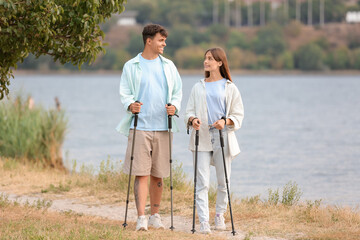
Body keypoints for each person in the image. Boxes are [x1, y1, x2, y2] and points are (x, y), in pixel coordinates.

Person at [116, 24, 182, 231]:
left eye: (164, 40)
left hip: (164, 126)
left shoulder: (169, 66)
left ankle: (155, 215)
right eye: (161, 40)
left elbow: (177, 92)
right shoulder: (131, 65)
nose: (164, 43)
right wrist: (129, 104)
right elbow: (125, 92)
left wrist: (174, 106)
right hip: (140, 126)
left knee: (159, 174)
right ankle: (141, 218)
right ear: (149, 41)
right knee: (141, 173)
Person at [185, 47, 244, 234]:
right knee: (201, 181)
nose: (206, 61)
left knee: (223, 181)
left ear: (220, 62)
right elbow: (189, 111)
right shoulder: (198, 86)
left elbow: (238, 114)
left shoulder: (230, 87)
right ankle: (203, 220)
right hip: (201, 136)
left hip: (222, 136)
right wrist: (192, 120)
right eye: (205, 58)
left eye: (210, 58)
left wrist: (225, 121)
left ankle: (219, 215)